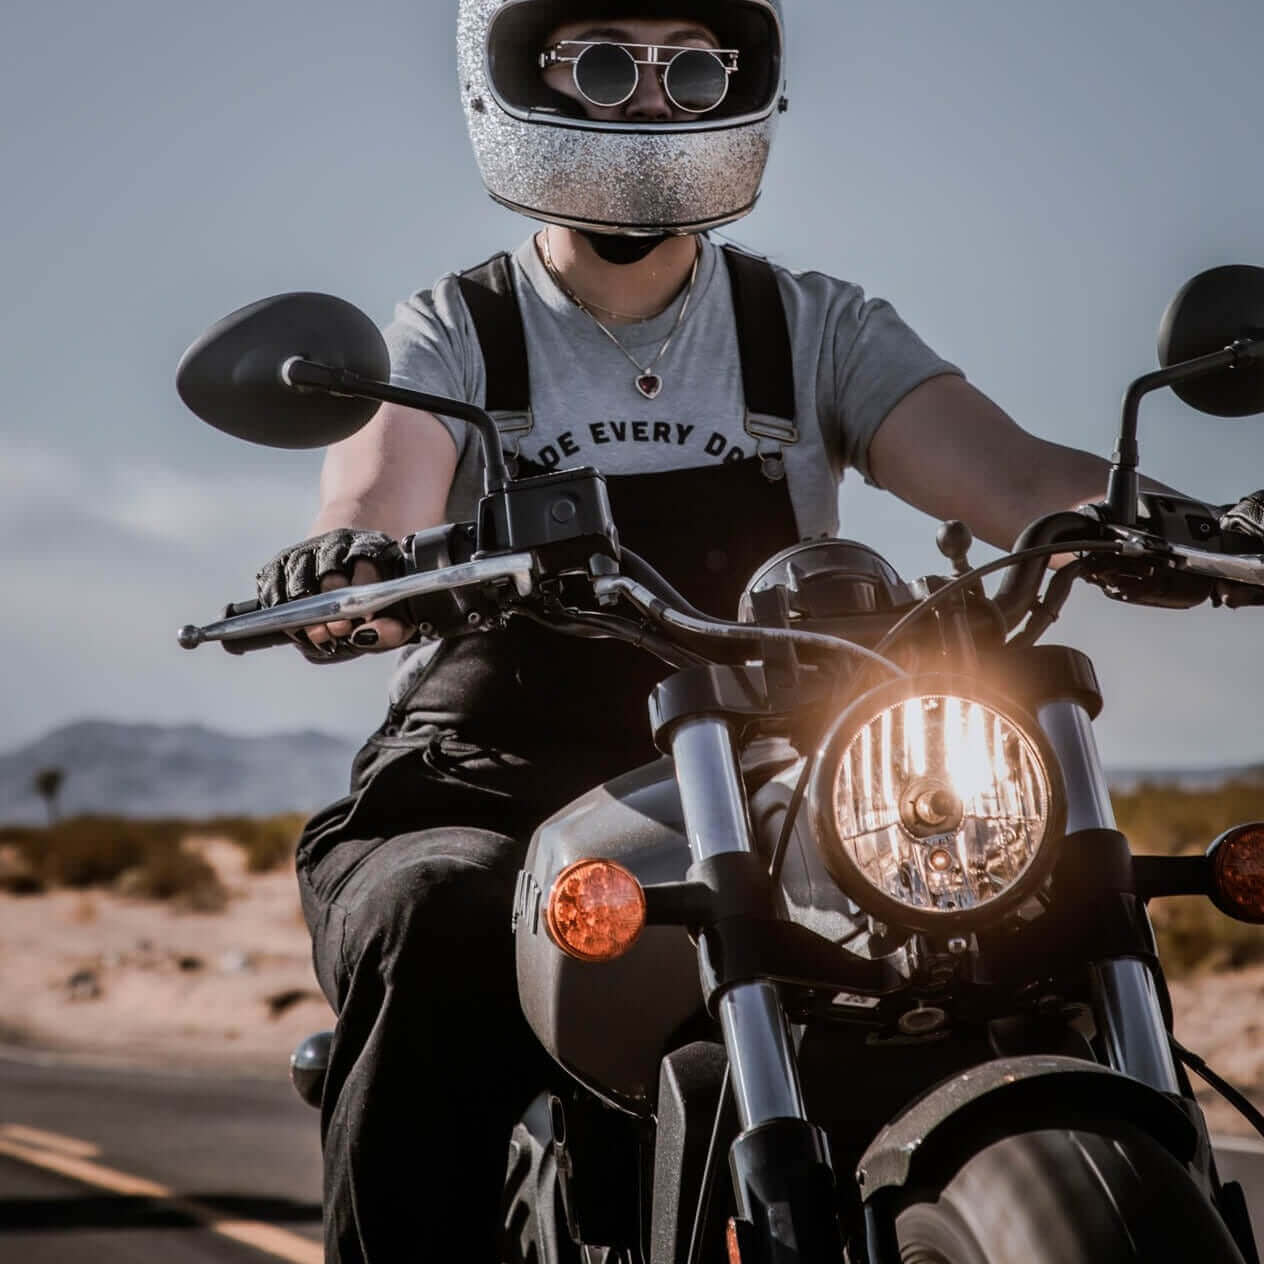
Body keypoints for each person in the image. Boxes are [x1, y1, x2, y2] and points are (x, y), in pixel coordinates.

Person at [254, 3, 1264, 1259]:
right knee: (435, 907)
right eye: (611, 66)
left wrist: (1174, 521)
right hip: (495, 777)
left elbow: (1010, 474)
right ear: (522, 82)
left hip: (773, 781)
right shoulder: (455, 332)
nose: (654, 104)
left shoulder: (809, 327)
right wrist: (355, 557)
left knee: (1024, 897)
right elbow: (376, 493)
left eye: (691, 68)